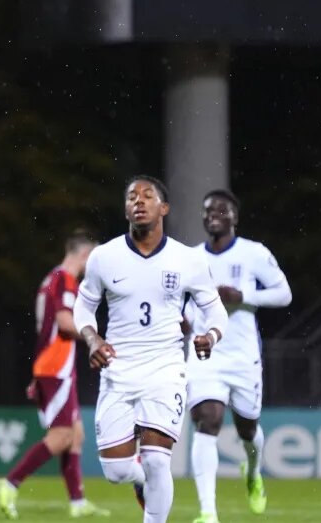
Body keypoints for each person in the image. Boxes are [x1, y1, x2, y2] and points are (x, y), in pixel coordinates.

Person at [72, 176, 228, 523]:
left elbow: (216, 311)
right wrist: (93, 338)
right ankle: (140, 479)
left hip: (165, 370)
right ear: (125, 209)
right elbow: (83, 306)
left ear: (164, 208)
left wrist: (211, 336)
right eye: (132, 197)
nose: (138, 201)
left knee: (158, 460)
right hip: (118, 370)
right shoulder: (104, 257)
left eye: (147, 196)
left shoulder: (187, 260)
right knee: (116, 471)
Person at [185, 189, 291, 523]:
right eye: (208, 210)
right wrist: (185, 319)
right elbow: (184, 304)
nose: (214, 215)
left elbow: (284, 294)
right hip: (205, 353)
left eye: (222, 210)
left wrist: (242, 295)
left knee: (247, 429)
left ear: (235, 217)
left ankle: (253, 471)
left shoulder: (253, 253)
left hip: (243, 356)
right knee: (208, 419)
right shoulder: (190, 258)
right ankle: (208, 512)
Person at [0, 230, 110, 519]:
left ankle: (78, 503)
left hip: (54, 367)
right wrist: (95, 337)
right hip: (56, 368)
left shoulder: (51, 279)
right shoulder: (65, 279)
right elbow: (65, 323)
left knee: (76, 434)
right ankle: (10, 482)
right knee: (62, 435)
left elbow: (48, 328)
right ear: (84, 255)